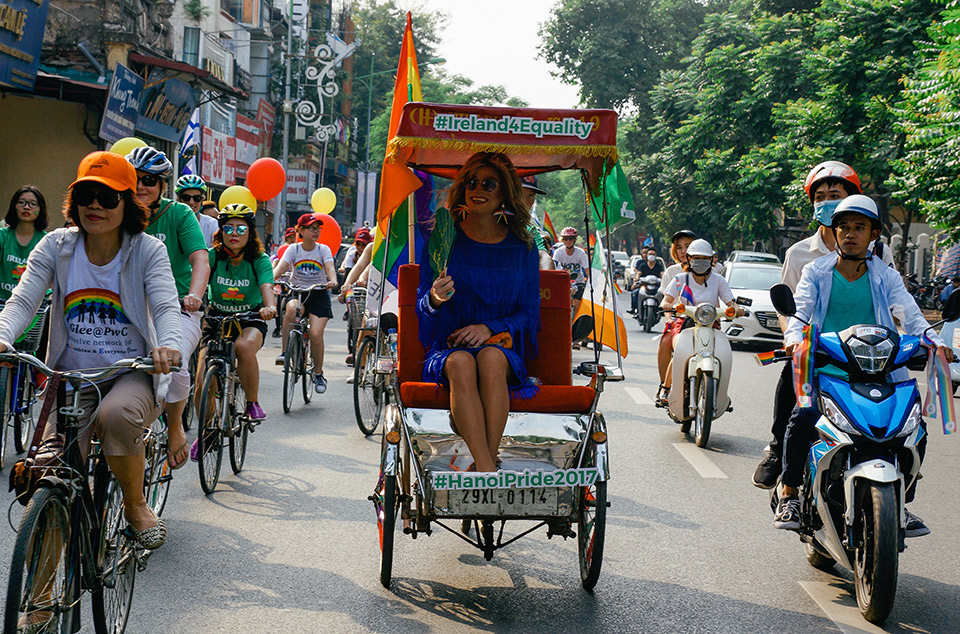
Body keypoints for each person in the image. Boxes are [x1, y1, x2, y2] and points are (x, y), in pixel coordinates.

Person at [0, 151, 181, 551]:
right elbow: (22, 301)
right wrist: (2, 335)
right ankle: (41, 605)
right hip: (70, 381)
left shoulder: (147, 250)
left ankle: (134, 505)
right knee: (49, 479)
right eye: (86, 194)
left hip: (131, 373)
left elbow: (168, 306)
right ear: (74, 201)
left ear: (128, 203)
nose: (95, 205)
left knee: (115, 414)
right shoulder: (55, 246)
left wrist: (169, 344)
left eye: (108, 196)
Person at [773, 195, 950, 535]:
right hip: (827, 369)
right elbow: (800, 312)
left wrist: (937, 344)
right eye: (843, 228)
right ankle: (790, 493)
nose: (850, 234)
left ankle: (902, 502)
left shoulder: (886, 276)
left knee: (913, 429)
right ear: (834, 233)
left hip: (878, 371)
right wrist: (794, 339)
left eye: (859, 228)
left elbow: (912, 317)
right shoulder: (815, 271)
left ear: (874, 234)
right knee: (804, 417)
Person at [752, 161, 895, 489]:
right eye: (819, 196)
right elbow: (788, 307)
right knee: (793, 382)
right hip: (818, 349)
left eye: (835, 193)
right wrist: (794, 338)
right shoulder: (800, 253)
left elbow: (893, 305)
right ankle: (778, 450)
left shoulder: (879, 253)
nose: (826, 200)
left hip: (870, 353)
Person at [418, 152, 539, 472]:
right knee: (461, 362)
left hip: (500, 347)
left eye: (489, 183)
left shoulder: (523, 247)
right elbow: (423, 313)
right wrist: (434, 299)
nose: (478, 189)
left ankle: (485, 460)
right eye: (471, 182)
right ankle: (488, 468)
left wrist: (489, 328)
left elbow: (529, 313)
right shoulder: (442, 240)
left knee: (489, 357)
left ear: (505, 192)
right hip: (448, 348)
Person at [126, 146, 210, 470]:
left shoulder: (179, 214)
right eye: (134, 179)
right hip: (129, 308)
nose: (140, 186)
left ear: (163, 185)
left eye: (149, 180)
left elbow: (200, 258)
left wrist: (194, 294)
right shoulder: (117, 211)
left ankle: (175, 425)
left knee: (175, 361)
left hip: (177, 307)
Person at [192, 204, 275, 457]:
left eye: (241, 228)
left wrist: (270, 307)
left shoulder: (258, 259)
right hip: (217, 317)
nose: (234, 233)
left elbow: (267, 287)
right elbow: (199, 277)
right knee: (202, 376)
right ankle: (206, 431)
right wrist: (193, 297)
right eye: (228, 228)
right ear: (221, 231)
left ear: (250, 232)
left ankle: (251, 403)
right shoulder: (212, 256)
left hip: (250, 317)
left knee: (243, 346)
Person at [657, 239, 742, 406]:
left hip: (712, 325)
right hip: (685, 325)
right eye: (696, 258)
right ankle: (666, 388)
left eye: (705, 258)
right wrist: (668, 304)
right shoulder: (680, 279)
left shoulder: (718, 280)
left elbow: (731, 303)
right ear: (689, 259)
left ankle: (721, 393)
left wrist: (736, 309)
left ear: (712, 260)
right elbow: (666, 300)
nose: (701, 262)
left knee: (723, 353)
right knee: (683, 350)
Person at [273, 213, 338, 394]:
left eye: (317, 228)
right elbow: (280, 268)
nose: (315, 231)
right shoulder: (293, 249)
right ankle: (286, 352)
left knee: (316, 334)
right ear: (300, 230)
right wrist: (270, 280)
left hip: (318, 294)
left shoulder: (322, 249)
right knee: (292, 309)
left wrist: (332, 280)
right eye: (311, 228)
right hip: (298, 292)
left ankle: (318, 373)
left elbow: (329, 268)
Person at [655, 230, 697, 403]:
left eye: (687, 246)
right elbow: (667, 300)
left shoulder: (714, 271)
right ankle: (665, 384)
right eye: (679, 247)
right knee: (666, 341)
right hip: (679, 319)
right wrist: (669, 318)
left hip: (705, 320)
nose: (683, 251)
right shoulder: (672, 272)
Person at [519, 175, 554, 270]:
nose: (525, 201)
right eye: (519, 193)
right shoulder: (491, 221)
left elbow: (543, 256)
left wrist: (548, 270)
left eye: (530, 195)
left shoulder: (531, 230)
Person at [175, 174, 218, 247]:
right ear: (178, 199)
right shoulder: (170, 221)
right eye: (186, 197)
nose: (191, 202)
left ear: (202, 200)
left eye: (197, 198)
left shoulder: (211, 224)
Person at [629, 246, 665, 314]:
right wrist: (636, 281)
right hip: (643, 285)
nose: (651, 256)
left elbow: (662, 274)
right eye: (649, 254)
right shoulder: (642, 265)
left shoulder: (659, 265)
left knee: (663, 293)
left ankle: (661, 309)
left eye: (653, 254)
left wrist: (665, 280)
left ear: (656, 256)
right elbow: (638, 273)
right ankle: (635, 309)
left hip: (656, 286)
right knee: (635, 293)